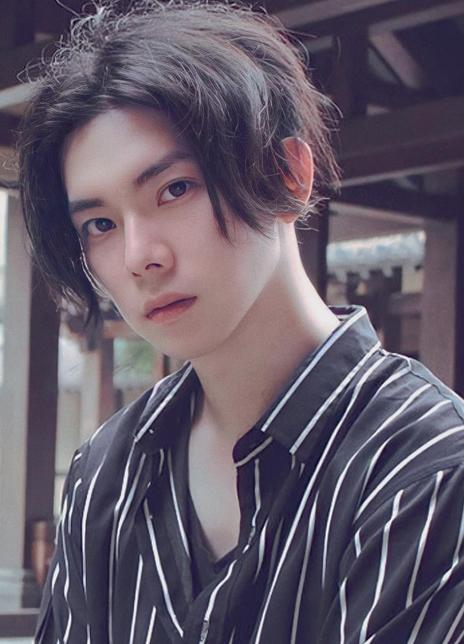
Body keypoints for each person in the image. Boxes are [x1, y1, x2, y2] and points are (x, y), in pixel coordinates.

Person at [18, 1, 464, 643]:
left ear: (289, 174)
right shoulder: (106, 473)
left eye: (174, 189)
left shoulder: (426, 470)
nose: (140, 256)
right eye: (101, 224)